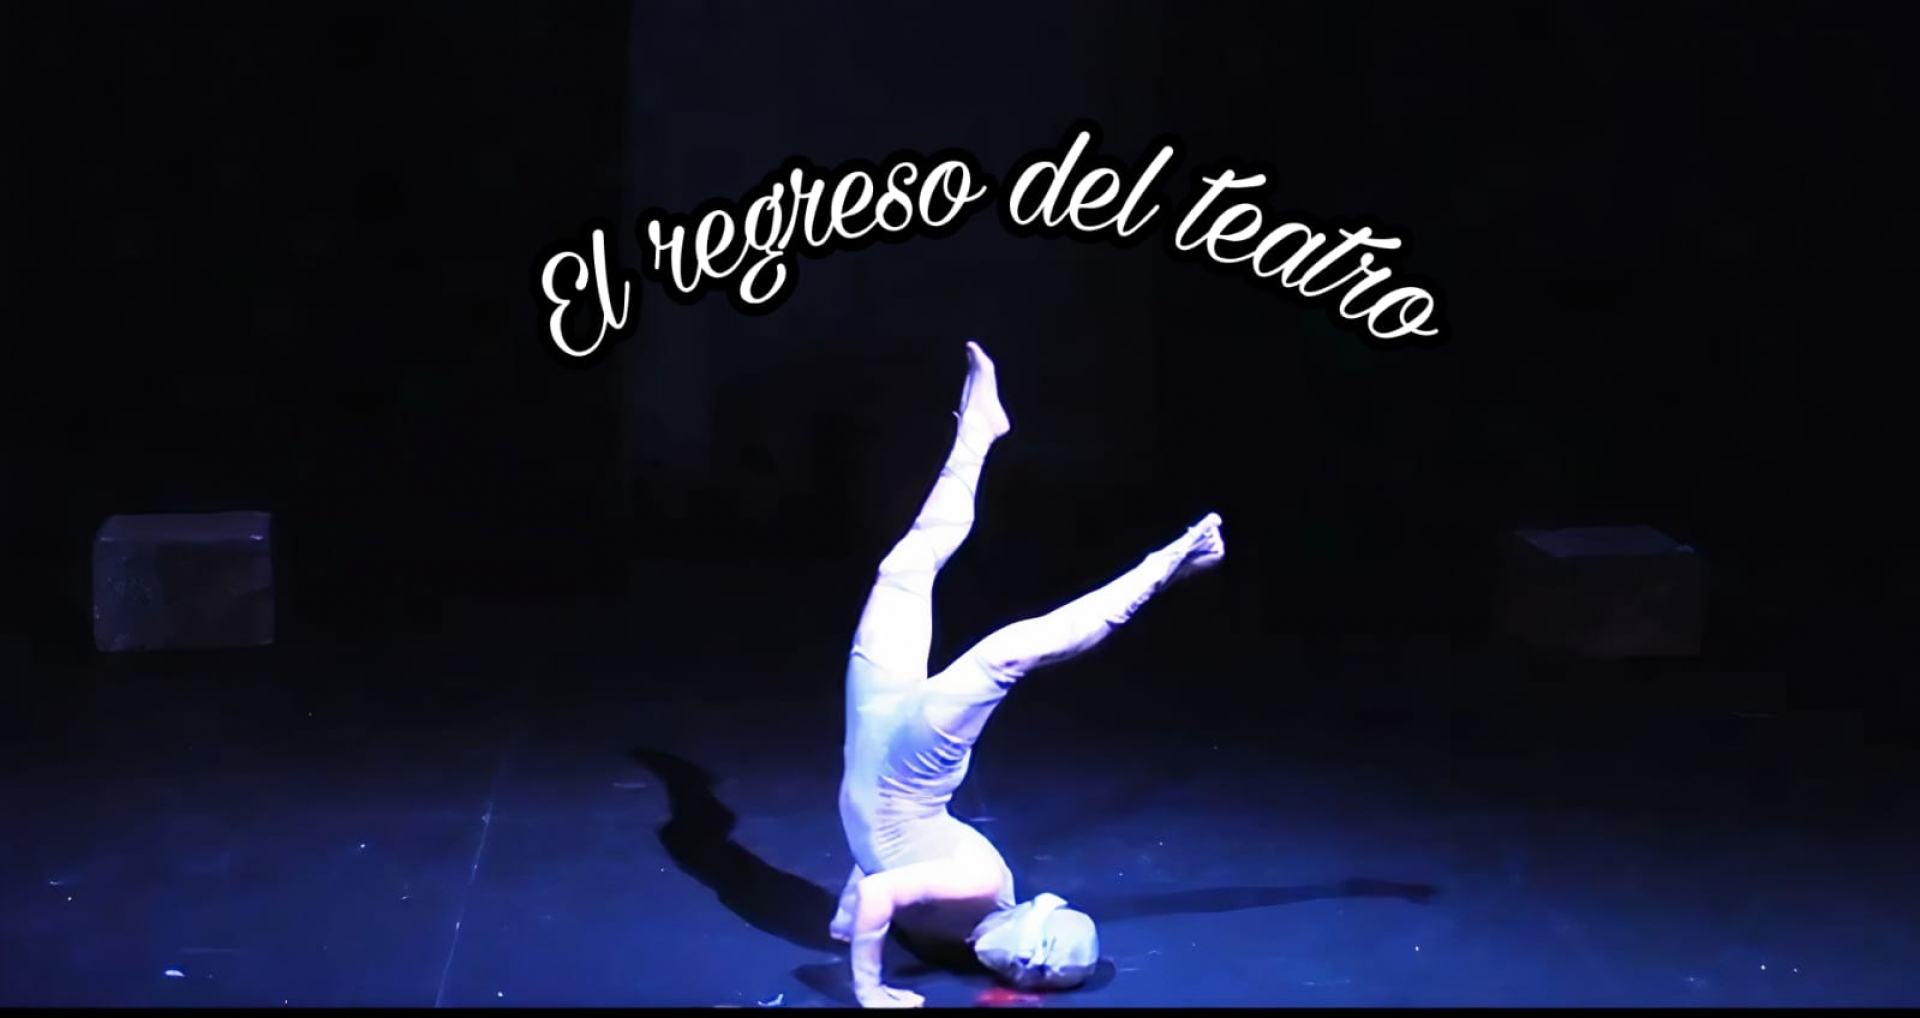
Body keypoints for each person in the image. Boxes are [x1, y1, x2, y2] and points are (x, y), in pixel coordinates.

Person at [830, 341, 1226, 1008]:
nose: (1020, 970)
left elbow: (879, 869)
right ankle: (1161, 568)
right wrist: (869, 990)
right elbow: (883, 887)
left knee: (903, 571)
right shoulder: (981, 887)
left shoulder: (953, 937)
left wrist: (848, 920)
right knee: (1006, 655)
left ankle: (980, 432)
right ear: (1035, 917)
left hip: (876, 739)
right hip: (910, 768)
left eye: (1026, 975)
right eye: (1033, 961)